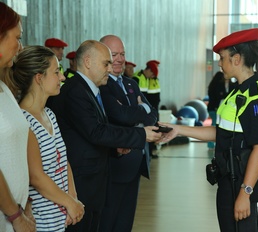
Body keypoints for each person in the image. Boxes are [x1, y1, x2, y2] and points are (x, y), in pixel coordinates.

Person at [159, 28, 258, 231]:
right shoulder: (237, 92)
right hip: (226, 180)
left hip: (240, 182)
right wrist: (179, 129)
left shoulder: (257, 96)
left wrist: (245, 194)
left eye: (222, 58)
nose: (219, 63)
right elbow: (220, 133)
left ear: (236, 59)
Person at [47, 40, 162, 231]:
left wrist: (114, 148)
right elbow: (96, 131)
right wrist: (140, 134)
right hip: (81, 180)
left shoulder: (89, 90)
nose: (111, 68)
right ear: (88, 61)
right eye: (106, 63)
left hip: (94, 179)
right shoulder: (76, 90)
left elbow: (93, 130)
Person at [9, 45, 85, 231]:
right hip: (42, 223)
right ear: (39, 78)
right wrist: (70, 203)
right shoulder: (24, 121)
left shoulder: (49, 114)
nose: (62, 77)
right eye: (56, 71)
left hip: (60, 219)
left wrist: (73, 199)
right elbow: (36, 177)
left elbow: (62, 160)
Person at [99, 35, 158, 231]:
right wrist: (141, 110)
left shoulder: (131, 83)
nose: (119, 59)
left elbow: (153, 116)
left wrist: (138, 112)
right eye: (113, 54)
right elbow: (119, 116)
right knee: (109, 220)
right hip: (116, 164)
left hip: (136, 163)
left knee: (126, 221)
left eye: (122, 54)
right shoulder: (102, 85)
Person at [0, 3, 36, 232]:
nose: (20, 47)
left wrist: (27, 202)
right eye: (17, 38)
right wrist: (15, 215)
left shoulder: (4, 87)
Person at [207, 71, 233, 149]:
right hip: (215, 109)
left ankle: (212, 144)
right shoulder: (216, 86)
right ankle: (211, 144)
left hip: (218, 108)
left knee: (216, 125)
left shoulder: (229, 85)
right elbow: (218, 96)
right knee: (215, 125)